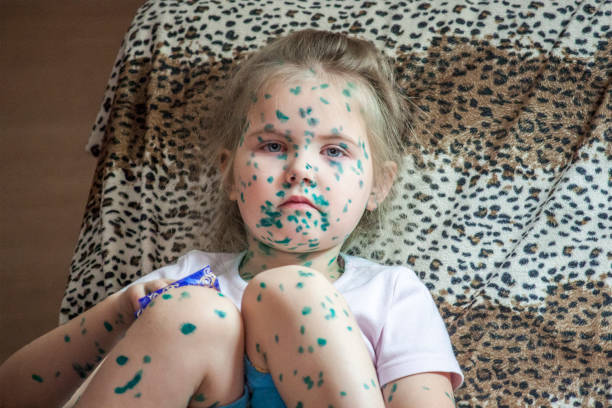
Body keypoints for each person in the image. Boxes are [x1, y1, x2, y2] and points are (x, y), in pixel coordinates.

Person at [0, 29, 463, 408]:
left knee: (291, 292)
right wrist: (118, 313)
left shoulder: (391, 295)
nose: (301, 168)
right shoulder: (189, 281)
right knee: (192, 315)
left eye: (335, 150)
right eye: (273, 145)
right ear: (229, 173)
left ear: (377, 186)